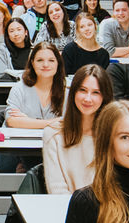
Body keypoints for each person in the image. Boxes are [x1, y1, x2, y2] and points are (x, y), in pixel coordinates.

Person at [41, 65, 112, 195]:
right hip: (67, 210)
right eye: (83, 90)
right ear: (73, 92)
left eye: (96, 92)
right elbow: (57, 189)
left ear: (105, 97)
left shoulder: (113, 134)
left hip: (108, 211)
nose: (88, 98)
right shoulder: (53, 134)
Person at [5, 43, 65, 129]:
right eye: (40, 60)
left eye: (51, 60)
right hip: (22, 141)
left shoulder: (66, 91)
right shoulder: (19, 89)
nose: (45, 65)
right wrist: (52, 122)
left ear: (58, 63)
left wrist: (28, 121)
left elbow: (70, 123)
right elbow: (11, 121)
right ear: (32, 63)